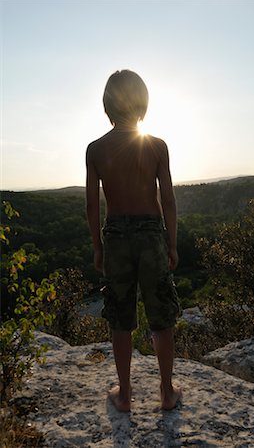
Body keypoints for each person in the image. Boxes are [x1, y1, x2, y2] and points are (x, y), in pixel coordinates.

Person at [86, 70, 182, 412]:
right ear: (143, 102)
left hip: (115, 236)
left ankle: (125, 395)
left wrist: (98, 245)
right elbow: (168, 199)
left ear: (107, 105)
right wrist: (171, 243)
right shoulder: (156, 146)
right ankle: (167, 391)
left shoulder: (95, 149)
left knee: (120, 316)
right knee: (162, 315)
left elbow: (92, 205)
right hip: (151, 233)